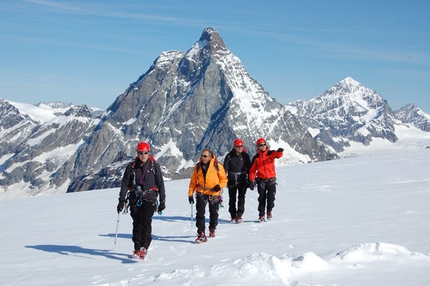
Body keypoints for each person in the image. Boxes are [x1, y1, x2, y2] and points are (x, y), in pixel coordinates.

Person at [117, 142, 166, 259]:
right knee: (137, 223)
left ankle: (144, 246)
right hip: (135, 199)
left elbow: (160, 184)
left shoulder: (154, 166)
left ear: (149, 153)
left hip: (150, 198)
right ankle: (137, 247)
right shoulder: (131, 167)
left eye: (145, 153)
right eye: (141, 153)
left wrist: (162, 200)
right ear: (137, 153)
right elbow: (124, 184)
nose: (143, 155)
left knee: (146, 221)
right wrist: (121, 201)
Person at [188, 148, 228, 243]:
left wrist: (219, 186)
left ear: (210, 157)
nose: (203, 158)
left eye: (205, 156)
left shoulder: (217, 166)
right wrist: (190, 194)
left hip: (214, 193)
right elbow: (193, 182)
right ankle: (201, 233)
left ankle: (212, 228)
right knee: (200, 213)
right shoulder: (198, 167)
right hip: (201, 192)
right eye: (202, 156)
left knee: (214, 213)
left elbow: (224, 179)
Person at [249, 138, 283, 222]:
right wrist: (251, 180)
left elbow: (278, 155)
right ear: (258, 146)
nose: (263, 146)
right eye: (261, 145)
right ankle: (261, 215)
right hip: (261, 180)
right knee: (262, 198)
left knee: (271, 197)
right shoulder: (256, 158)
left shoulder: (271, 153)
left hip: (271, 179)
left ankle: (269, 211)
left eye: (264, 144)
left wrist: (280, 151)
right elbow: (252, 170)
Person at [223, 138, 252, 223]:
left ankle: (239, 215)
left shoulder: (245, 156)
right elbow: (225, 168)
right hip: (231, 179)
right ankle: (233, 215)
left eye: (241, 146)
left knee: (241, 197)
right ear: (234, 147)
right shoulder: (229, 156)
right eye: (237, 146)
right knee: (232, 198)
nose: (239, 148)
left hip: (242, 179)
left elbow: (249, 168)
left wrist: (250, 180)